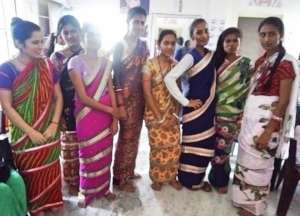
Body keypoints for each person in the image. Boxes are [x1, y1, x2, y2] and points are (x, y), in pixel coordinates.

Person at [231, 17, 299, 216]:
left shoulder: (286, 64)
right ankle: (241, 200)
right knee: (246, 163)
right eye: (263, 34)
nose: (267, 39)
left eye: (272, 34)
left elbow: (283, 101)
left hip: (268, 124)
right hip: (251, 122)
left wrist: (269, 130)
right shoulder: (261, 61)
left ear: (281, 36)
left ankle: (254, 207)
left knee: (260, 166)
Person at [0, 18, 63, 216]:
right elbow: (7, 107)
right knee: (31, 175)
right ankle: (37, 207)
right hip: (25, 135)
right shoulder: (6, 70)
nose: (41, 46)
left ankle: (52, 201)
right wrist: (31, 132)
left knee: (52, 169)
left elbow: (58, 97)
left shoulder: (48, 65)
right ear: (19, 44)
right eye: (35, 42)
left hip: (49, 130)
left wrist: (53, 125)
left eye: (42, 41)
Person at [68, 24, 118, 207]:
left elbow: (111, 89)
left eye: (98, 34)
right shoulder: (75, 62)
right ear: (83, 37)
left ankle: (104, 188)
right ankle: (86, 190)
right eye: (91, 35)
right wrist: (112, 111)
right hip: (87, 116)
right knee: (88, 154)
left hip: (106, 116)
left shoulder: (106, 63)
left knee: (105, 154)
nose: (95, 38)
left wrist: (115, 118)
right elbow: (83, 97)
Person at [164, 18, 216, 191]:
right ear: (192, 36)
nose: (203, 35)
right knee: (191, 146)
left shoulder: (210, 55)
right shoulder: (190, 55)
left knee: (206, 145)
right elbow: (169, 78)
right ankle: (187, 180)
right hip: (194, 110)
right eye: (199, 32)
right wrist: (186, 101)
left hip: (208, 110)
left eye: (206, 31)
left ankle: (199, 179)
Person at [208, 27, 251, 194]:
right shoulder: (216, 61)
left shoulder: (246, 64)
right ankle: (213, 176)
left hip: (234, 115)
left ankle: (221, 180)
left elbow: (248, 89)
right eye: (228, 41)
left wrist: (242, 114)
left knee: (224, 149)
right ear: (222, 43)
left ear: (240, 42)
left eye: (235, 40)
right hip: (214, 112)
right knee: (214, 148)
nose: (231, 44)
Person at [112, 6, 149, 192]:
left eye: (142, 22)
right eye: (136, 21)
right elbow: (116, 74)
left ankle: (129, 170)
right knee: (125, 137)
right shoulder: (119, 44)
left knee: (135, 137)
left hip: (140, 97)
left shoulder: (143, 46)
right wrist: (119, 102)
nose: (139, 26)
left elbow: (145, 73)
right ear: (128, 22)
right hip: (124, 98)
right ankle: (120, 177)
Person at [143, 29, 182, 191]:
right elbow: (146, 92)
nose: (169, 46)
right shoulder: (149, 64)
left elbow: (178, 91)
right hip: (154, 113)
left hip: (172, 114)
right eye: (166, 43)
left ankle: (172, 177)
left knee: (174, 147)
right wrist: (160, 117)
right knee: (158, 147)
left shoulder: (176, 65)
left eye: (173, 43)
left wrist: (175, 114)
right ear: (159, 44)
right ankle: (157, 178)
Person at [49, 15, 83, 195]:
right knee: (69, 149)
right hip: (66, 108)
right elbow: (54, 91)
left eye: (74, 31)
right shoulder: (57, 57)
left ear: (80, 31)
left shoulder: (88, 53)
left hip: (87, 108)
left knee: (86, 146)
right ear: (61, 35)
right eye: (66, 32)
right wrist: (58, 114)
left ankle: (86, 178)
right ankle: (72, 182)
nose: (70, 36)